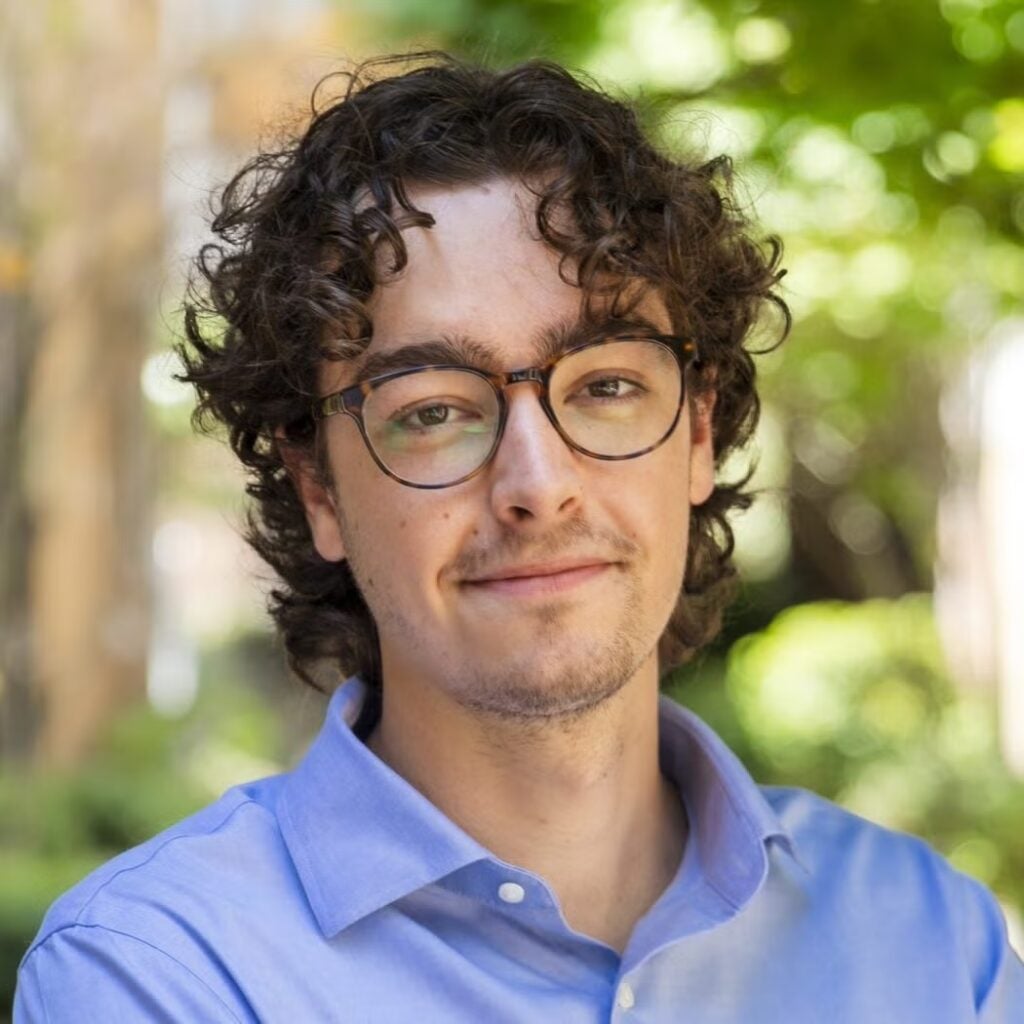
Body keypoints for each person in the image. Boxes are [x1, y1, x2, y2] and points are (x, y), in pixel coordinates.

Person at [15, 53, 1024, 1022]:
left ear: (698, 435)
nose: (537, 486)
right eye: (434, 410)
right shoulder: (160, 975)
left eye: (608, 387)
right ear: (317, 483)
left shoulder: (933, 945)